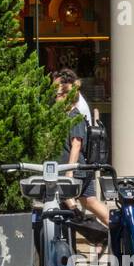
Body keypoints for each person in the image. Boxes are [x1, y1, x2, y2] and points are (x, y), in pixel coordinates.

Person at [54, 78, 109, 228]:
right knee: (90, 201)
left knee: (65, 197)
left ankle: (85, 220)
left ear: (66, 97)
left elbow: (76, 144)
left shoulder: (74, 117)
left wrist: (69, 171)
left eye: (58, 95)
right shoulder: (65, 117)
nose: (55, 98)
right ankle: (109, 230)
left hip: (74, 170)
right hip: (77, 169)